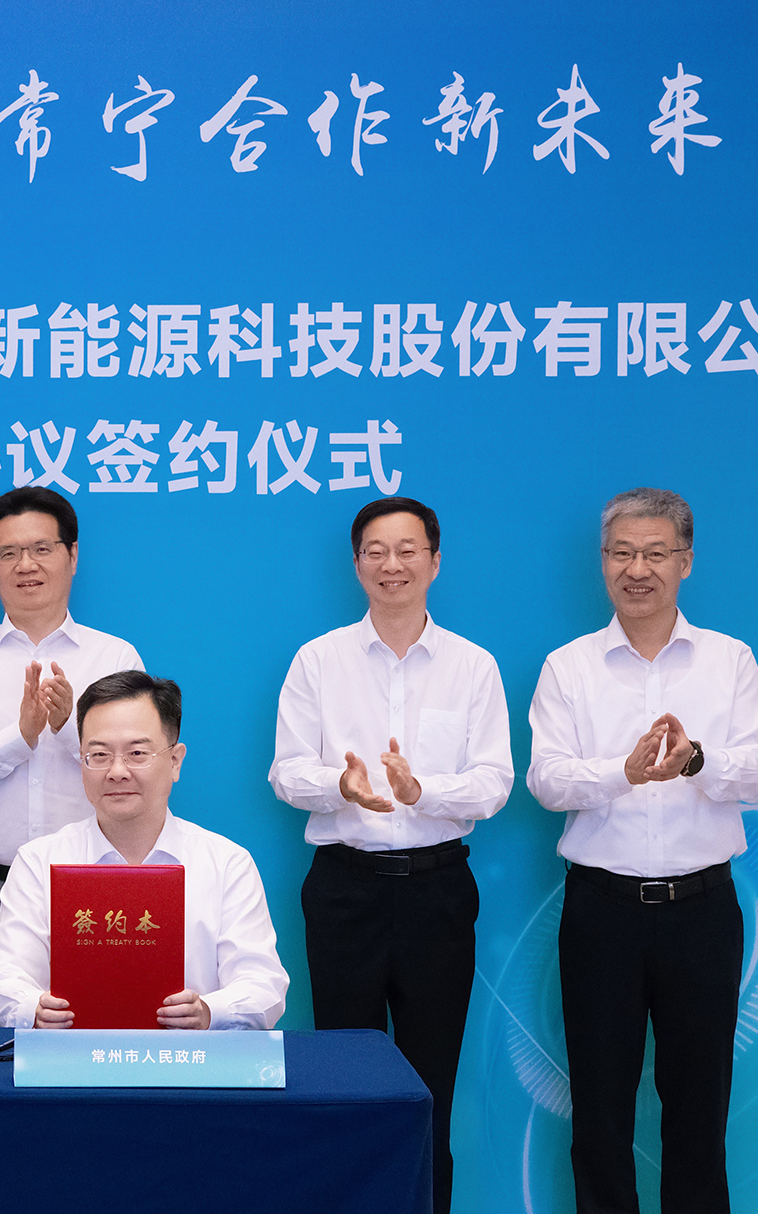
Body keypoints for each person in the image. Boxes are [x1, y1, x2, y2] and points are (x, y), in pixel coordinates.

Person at [528, 488, 758, 1214]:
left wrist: (697, 759)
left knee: (699, 1105)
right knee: (599, 1107)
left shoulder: (729, 660)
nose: (637, 569)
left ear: (686, 562)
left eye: (655, 554)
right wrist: (624, 773)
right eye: (621, 553)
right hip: (601, 910)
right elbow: (546, 779)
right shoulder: (568, 667)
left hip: (702, 909)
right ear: (603, 561)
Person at [268, 495, 511, 1214]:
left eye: (407, 550)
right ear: (356, 565)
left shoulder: (472, 665)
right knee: (345, 1084)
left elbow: (494, 782)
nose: (391, 564)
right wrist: (340, 787)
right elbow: (285, 772)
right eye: (375, 551)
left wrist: (421, 790)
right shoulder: (319, 660)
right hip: (346, 890)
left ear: (435, 562)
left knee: (431, 1084)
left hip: (438, 891)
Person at [0, 487, 143, 1024]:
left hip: (96, 886)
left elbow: (137, 770)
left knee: (104, 1036)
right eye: (9, 552)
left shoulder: (113, 655)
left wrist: (67, 729)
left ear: (72, 555)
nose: (26, 565)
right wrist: (17, 739)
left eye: (42, 549)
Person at [0, 671, 289, 1030]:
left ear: (175, 761)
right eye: (98, 755)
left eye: (137, 753)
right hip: (71, 1058)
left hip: (191, 1059)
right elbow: (1, 979)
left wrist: (208, 1012)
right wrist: (34, 1008)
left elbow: (263, 984)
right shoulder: (39, 861)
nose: (117, 771)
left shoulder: (226, 863)